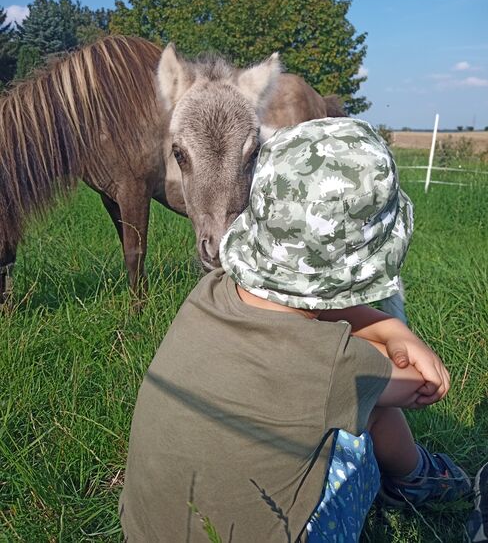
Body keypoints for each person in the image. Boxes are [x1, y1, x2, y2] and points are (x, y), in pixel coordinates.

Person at [119, 118, 471, 543]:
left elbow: (307, 306)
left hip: (145, 527)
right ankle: (415, 480)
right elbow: (420, 386)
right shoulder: (338, 367)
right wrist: (397, 340)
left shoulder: (212, 291)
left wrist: (387, 325)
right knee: (367, 412)